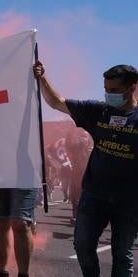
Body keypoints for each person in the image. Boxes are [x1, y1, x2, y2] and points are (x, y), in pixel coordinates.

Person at [34, 61, 138, 277]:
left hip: (129, 200)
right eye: (107, 90)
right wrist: (42, 78)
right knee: (82, 245)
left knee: (122, 253)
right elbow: (56, 102)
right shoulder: (98, 111)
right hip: (94, 194)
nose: (110, 95)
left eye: (116, 91)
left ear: (132, 87)